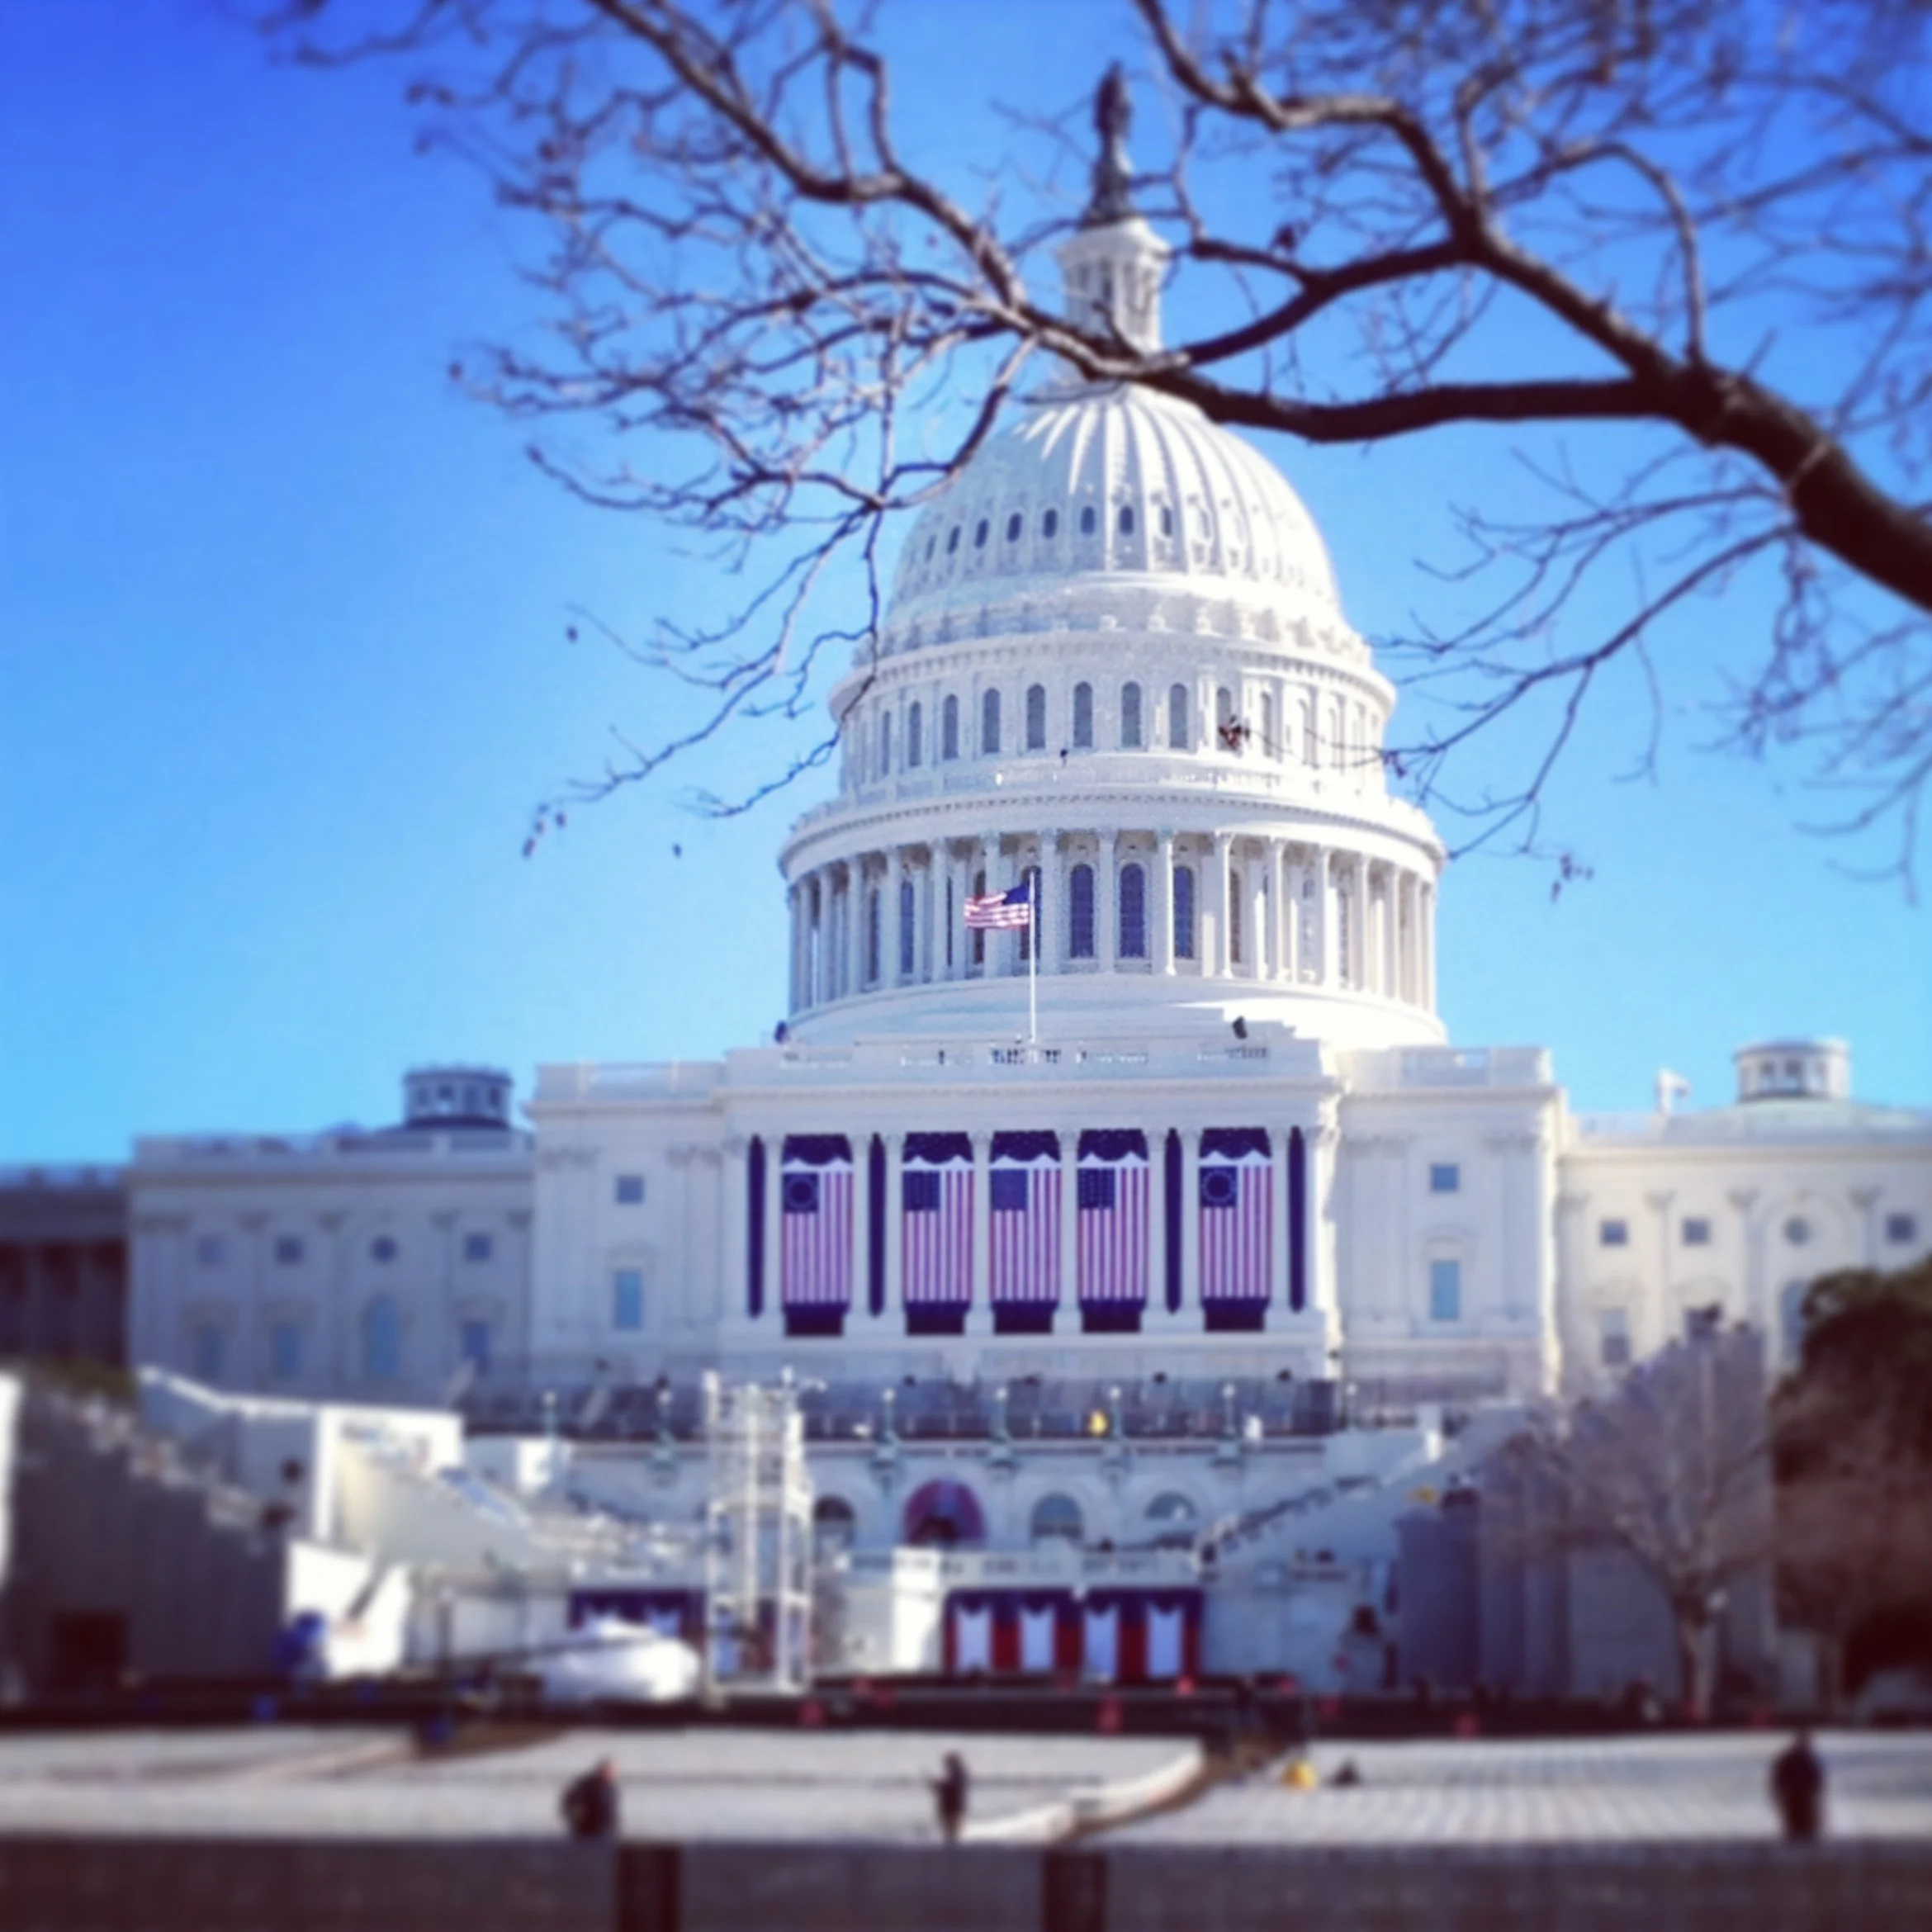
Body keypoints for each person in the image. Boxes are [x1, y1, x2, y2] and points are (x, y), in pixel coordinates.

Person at [1770, 1730, 1825, 1843]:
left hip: (1796, 1796)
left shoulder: (1791, 1758)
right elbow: (1816, 1779)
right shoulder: (1806, 1759)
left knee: (1798, 1825)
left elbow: (1778, 1778)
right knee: (1802, 1825)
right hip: (1800, 1796)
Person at [560, 1758, 620, 1840]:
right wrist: (575, 1819)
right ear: (600, 1771)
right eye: (608, 1771)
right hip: (588, 1833)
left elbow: (611, 1811)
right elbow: (569, 1801)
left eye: (612, 1772)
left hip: (607, 1832)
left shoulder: (611, 1788)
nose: (611, 1774)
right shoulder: (587, 1785)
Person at [930, 1751, 969, 1843]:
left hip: (952, 1809)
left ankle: (951, 1850)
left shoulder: (957, 1774)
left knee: (951, 1833)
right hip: (954, 1808)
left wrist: (937, 1785)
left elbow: (949, 1789)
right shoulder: (958, 1774)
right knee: (951, 1834)